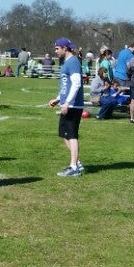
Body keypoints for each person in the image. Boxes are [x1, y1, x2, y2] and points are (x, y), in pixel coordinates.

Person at [47, 37, 85, 177]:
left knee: (72, 135)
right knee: (64, 134)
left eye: (57, 48)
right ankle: (77, 163)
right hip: (67, 103)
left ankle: (74, 167)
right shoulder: (66, 63)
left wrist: (68, 102)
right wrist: (58, 99)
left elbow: (76, 84)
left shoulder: (73, 62)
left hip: (73, 105)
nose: (55, 51)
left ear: (65, 48)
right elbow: (65, 85)